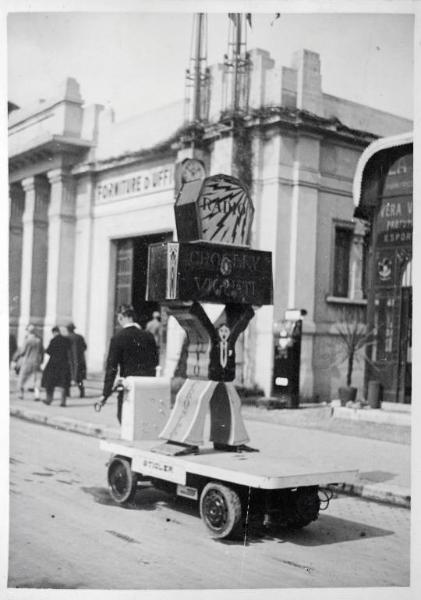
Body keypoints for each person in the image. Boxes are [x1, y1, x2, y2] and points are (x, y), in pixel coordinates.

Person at [99, 305, 159, 423]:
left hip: (128, 386)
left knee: (125, 419)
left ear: (121, 317)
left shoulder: (118, 338)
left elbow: (111, 367)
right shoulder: (148, 336)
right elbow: (155, 361)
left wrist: (105, 394)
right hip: (146, 386)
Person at [41, 326, 72, 407]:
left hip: (53, 364)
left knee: (49, 382)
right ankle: (63, 402)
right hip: (64, 363)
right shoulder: (66, 340)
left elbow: (48, 351)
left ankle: (49, 399)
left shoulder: (53, 340)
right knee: (63, 383)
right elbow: (70, 350)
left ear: (54, 332)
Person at [14, 324, 44, 401]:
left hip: (27, 361)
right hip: (36, 362)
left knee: (22, 378)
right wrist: (41, 360)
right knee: (37, 379)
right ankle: (37, 395)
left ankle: (21, 394)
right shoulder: (39, 340)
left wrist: (16, 357)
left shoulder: (27, 340)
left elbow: (22, 352)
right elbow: (42, 352)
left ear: (28, 331)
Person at [66, 323, 87, 398]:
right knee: (79, 378)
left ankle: (67, 393)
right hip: (79, 360)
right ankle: (82, 392)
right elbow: (85, 347)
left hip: (69, 360)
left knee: (67, 377)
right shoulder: (80, 337)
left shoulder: (66, 338)